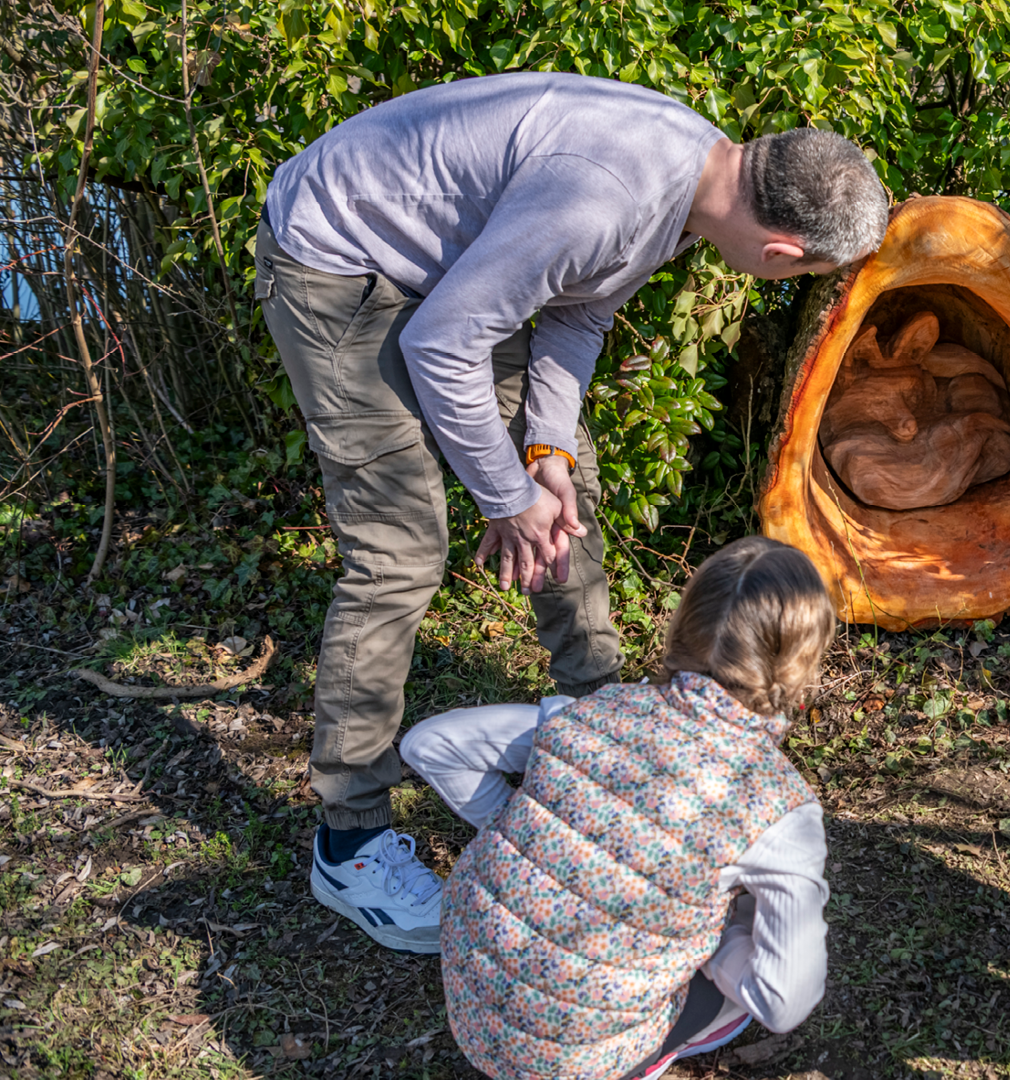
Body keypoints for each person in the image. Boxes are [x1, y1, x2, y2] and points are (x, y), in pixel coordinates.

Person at [254, 71, 889, 952]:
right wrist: (504, 496)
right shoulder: (611, 195)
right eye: (807, 275)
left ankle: (610, 746)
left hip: (450, 276)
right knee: (400, 553)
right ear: (783, 251)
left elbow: (578, 315)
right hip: (341, 262)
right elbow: (442, 343)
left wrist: (543, 456)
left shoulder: (700, 180)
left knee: (567, 493)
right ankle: (349, 839)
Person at [398, 535, 836, 1079]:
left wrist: (534, 832)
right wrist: (720, 944)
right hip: (573, 1059)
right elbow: (781, 1000)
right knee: (738, 985)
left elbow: (430, 746)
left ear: (684, 625)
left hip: (473, 1009)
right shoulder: (777, 807)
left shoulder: (589, 712)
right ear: (799, 667)